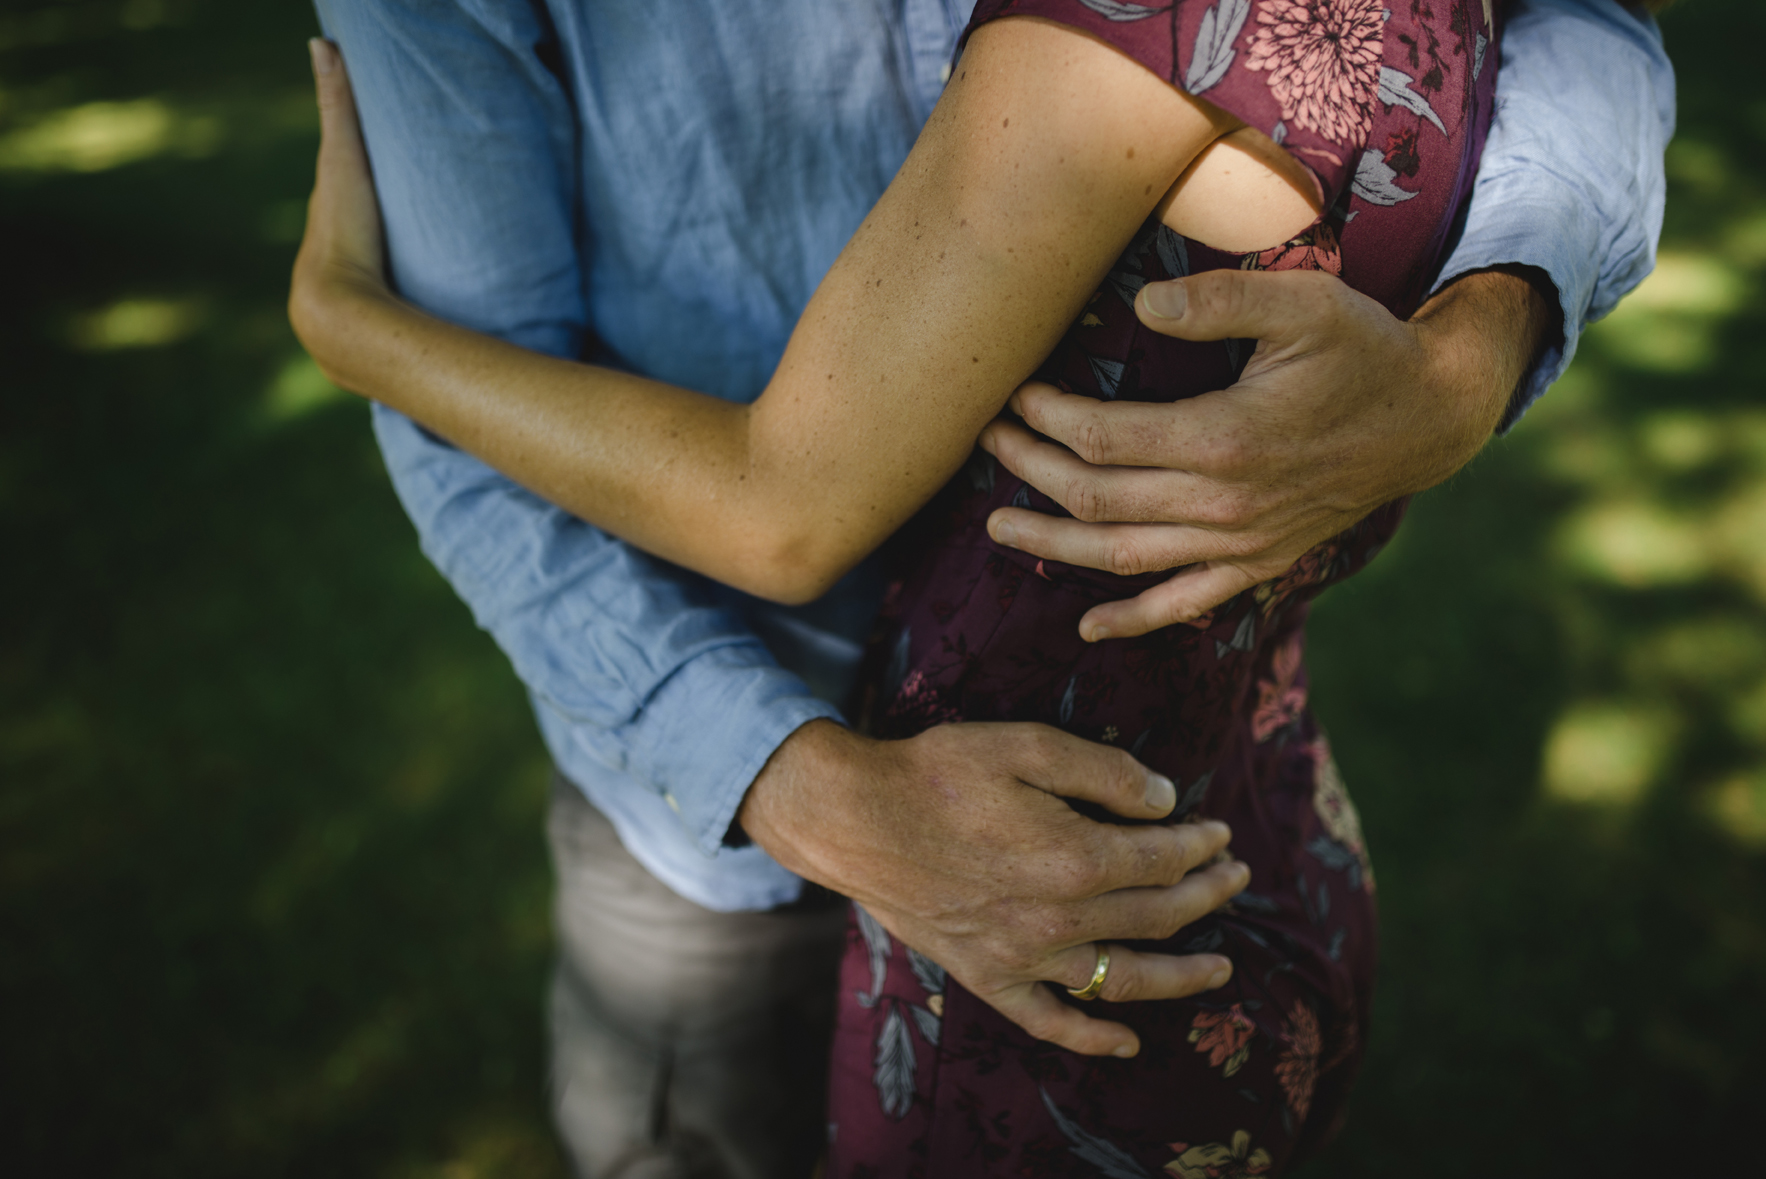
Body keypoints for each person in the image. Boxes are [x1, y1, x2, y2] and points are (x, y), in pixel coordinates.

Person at [296, 2, 1674, 1176]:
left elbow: (779, 508)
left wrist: (353, 330)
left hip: (1093, 921)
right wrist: (790, 780)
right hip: (1077, 841)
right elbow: (490, 435)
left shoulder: (1130, 30)